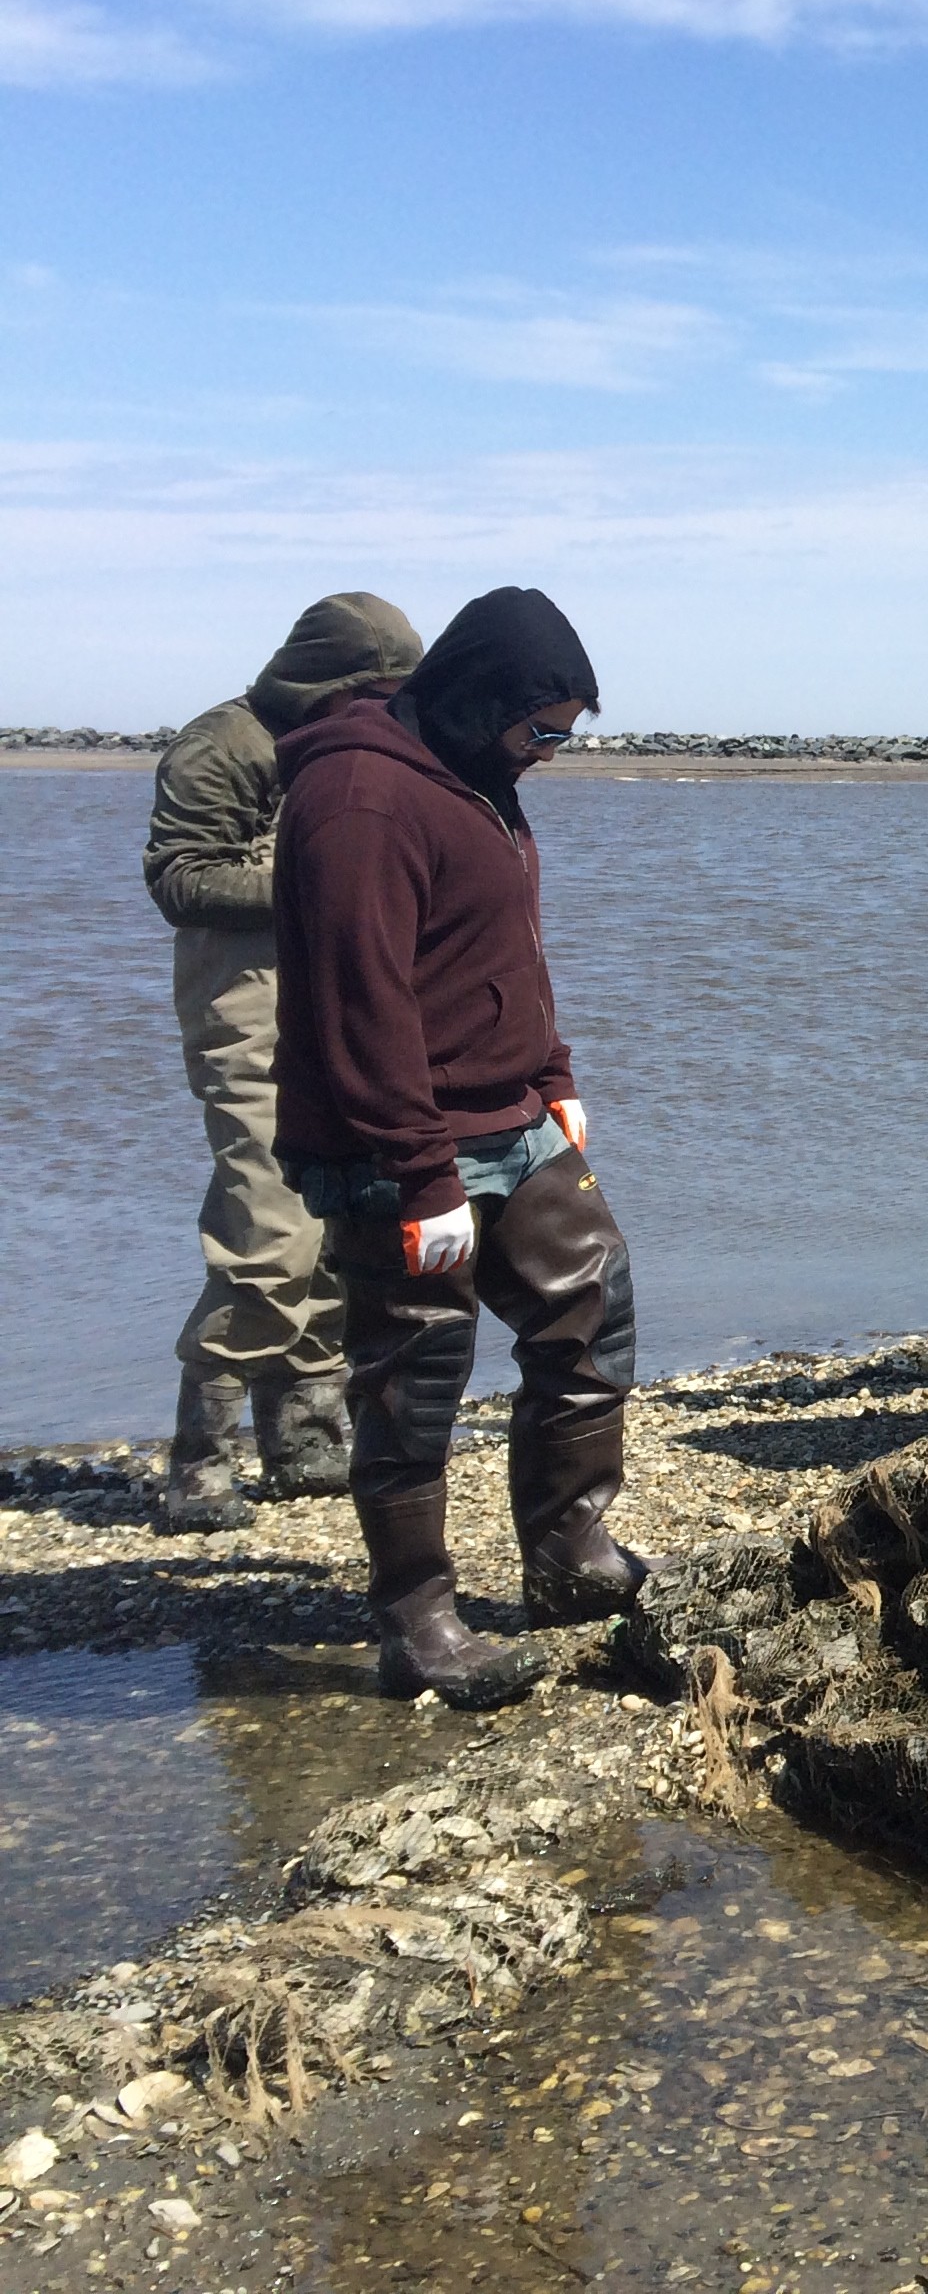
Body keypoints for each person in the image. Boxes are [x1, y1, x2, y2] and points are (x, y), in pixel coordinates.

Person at [272, 587, 644, 1707]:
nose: (548, 755)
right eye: (543, 732)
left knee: (591, 1305)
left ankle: (571, 1555)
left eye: (564, 737)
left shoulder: (479, 774)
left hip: (512, 1117)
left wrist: (554, 1076)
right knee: (415, 1369)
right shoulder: (358, 797)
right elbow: (362, 1001)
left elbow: (505, 946)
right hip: (398, 1140)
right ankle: (418, 1621)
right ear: (484, 698)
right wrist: (421, 1172)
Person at [141, 594, 426, 1533]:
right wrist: (317, 876)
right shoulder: (223, 744)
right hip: (246, 1004)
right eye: (377, 691)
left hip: (340, 1004)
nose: (386, 709)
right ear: (326, 681)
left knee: (340, 1218)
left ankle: (305, 1438)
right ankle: (200, 1457)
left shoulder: (367, 747)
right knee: (268, 1233)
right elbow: (180, 878)